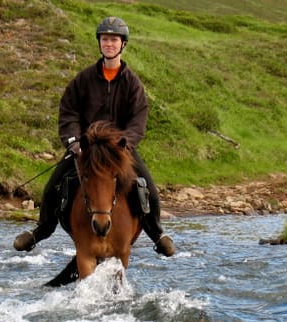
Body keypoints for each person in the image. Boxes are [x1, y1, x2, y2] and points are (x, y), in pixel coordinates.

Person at [13, 16, 175, 257]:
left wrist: (125, 143)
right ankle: (41, 230)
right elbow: (69, 111)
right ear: (100, 43)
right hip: (87, 147)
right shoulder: (83, 79)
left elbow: (138, 119)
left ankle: (157, 233)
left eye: (114, 40)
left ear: (123, 45)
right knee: (52, 186)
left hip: (119, 149)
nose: (109, 44)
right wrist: (73, 141)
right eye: (105, 39)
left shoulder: (133, 84)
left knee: (147, 187)